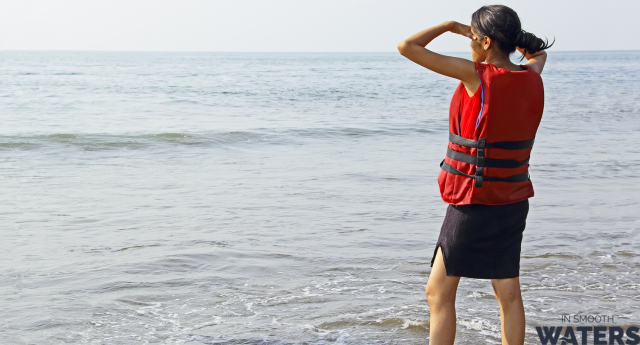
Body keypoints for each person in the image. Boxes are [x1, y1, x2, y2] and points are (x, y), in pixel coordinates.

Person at [397, 5, 553, 345]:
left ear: (483, 42)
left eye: (471, 38)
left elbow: (408, 47)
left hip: (473, 200)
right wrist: (513, 40)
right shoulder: (532, 75)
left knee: (438, 292)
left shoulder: (476, 76)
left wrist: (451, 25)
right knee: (508, 291)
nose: (467, 44)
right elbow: (537, 54)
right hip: (512, 200)